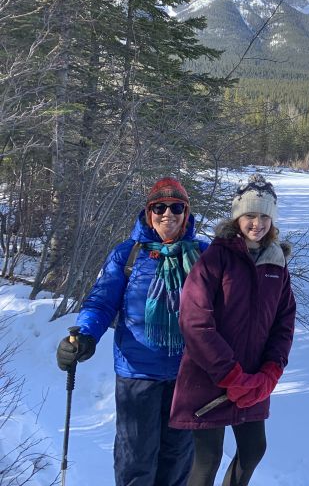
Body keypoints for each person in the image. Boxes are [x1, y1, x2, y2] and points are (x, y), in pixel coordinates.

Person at [56, 177, 208, 486]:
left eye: (176, 207)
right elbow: (101, 301)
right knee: (135, 461)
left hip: (188, 375)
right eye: (160, 207)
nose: (168, 214)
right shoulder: (129, 255)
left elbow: (235, 299)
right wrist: (84, 336)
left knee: (177, 463)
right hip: (137, 374)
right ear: (149, 213)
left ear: (187, 213)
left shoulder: (205, 255)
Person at [169, 174, 296, 486]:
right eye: (250, 215)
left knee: (253, 450)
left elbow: (284, 322)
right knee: (208, 459)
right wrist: (229, 374)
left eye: (265, 216)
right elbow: (195, 321)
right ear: (238, 217)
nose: (257, 224)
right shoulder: (217, 257)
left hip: (254, 380)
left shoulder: (276, 262)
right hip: (210, 377)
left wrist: (271, 371)